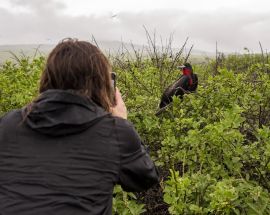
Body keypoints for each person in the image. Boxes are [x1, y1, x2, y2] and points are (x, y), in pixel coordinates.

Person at [0, 39, 159, 215]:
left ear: (48, 78)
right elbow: (145, 179)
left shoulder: (8, 124)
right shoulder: (114, 131)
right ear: (101, 83)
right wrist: (121, 121)